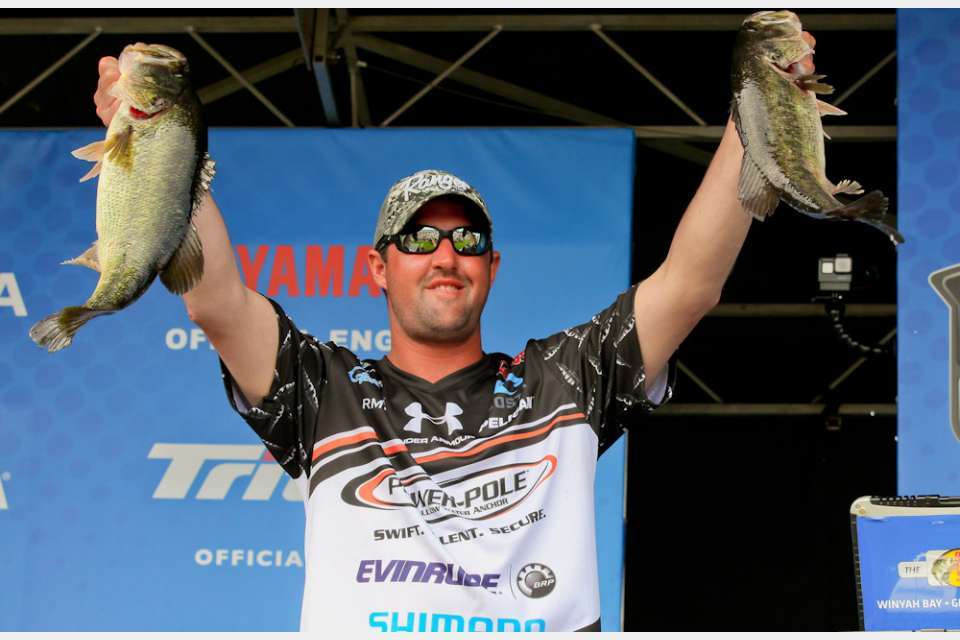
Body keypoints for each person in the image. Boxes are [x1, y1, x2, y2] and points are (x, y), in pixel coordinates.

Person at [93, 29, 816, 633]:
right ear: (378, 268)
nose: (445, 256)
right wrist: (156, 141)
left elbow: (689, 286)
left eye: (467, 241)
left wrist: (760, 104)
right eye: (419, 239)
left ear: (491, 267)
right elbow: (216, 303)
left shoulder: (562, 380)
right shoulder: (323, 391)